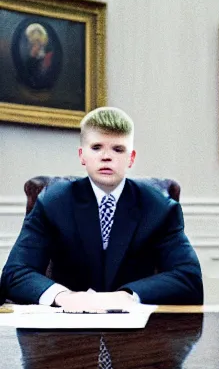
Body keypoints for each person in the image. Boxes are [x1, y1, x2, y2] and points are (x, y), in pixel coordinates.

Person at [0, 107, 203, 309]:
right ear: (82, 155)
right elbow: (15, 274)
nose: (106, 157)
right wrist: (64, 296)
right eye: (96, 147)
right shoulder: (53, 202)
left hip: (136, 335)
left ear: (131, 158)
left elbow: (189, 278)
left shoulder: (158, 207)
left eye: (118, 149)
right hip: (66, 330)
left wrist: (128, 296)